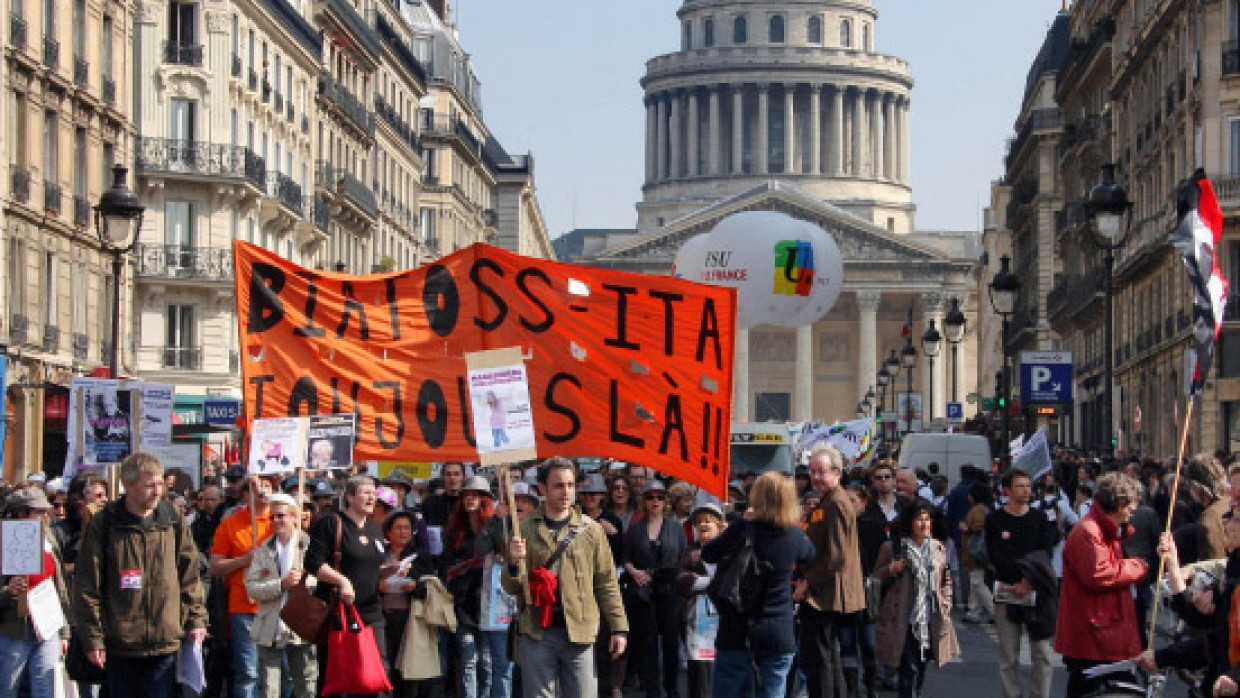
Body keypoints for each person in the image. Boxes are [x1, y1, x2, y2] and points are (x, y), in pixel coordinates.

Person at [71, 452, 208, 698]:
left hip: (164, 642)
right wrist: (93, 638)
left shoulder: (171, 519)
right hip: (120, 645)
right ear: (128, 485)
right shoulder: (105, 524)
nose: (157, 491)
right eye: (149, 485)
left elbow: (190, 574)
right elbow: (87, 586)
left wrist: (196, 618)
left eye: (160, 484)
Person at [504, 457, 628, 698]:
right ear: (542, 488)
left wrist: (619, 628)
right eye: (559, 485)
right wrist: (511, 563)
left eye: (570, 485)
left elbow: (607, 582)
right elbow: (511, 587)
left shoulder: (591, 530)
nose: (566, 492)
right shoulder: (524, 529)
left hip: (580, 630)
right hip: (537, 631)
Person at [702, 471, 814, 698]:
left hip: (737, 625)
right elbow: (811, 555)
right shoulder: (794, 535)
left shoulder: (742, 528)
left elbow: (708, 553)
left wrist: (742, 520)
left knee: (730, 688)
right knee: (773, 688)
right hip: (777, 628)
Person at [1054, 472, 1148, 697]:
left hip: (1103, 627)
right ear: (1119, 503)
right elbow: (1099, 574)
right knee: (1093, 686)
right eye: (1132, 502)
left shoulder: (1101, 529)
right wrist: (1138, 567)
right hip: (1095, 631)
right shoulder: (1089, 531)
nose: (1135, 508)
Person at [305, 475, 389, 696]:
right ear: (350, 497)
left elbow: (371, 566)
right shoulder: (332, 523)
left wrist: (392, 571)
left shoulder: (375, 528)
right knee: (339, 677)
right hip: (339, 613)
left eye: (374, 493)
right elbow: (313, 562)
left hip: (371, 612)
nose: (372, 497)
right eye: (366, 492)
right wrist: (341, 581)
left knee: (376, 674)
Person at [873, 501, 960, 698]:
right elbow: (874, 579)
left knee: (920, 668)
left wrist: (945, 605)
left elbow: (945, 581)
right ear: (909, 522)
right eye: (918, 519)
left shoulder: (938, 548)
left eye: (927, 519)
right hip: (901, 619)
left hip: (929, 619)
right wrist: (890, 570)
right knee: (909, 668)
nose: (924, 524)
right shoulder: (893, 548)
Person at [799, 445, 866, 698]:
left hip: (827, 593)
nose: (815, 478)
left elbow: (836, 556)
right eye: (812, 472)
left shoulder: (836, 503)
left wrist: (808, 582)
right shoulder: (828, 501)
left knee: (821, 661)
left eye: (821, 472)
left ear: (837, 472)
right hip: (826, 590)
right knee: (828, 658)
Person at [984, 469, 1058, 698]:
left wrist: (1029, 580)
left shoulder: (1039, 518)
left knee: (1043, 653)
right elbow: (995, 554)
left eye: (1028, 486)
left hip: (1036, 590)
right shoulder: (995, 519)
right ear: (1007, 491)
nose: (1026, 491)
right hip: (1007, 590)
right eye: (1020, 486)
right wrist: (1016, 580)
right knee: (1008, 655)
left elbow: (1044, 551)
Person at [209, 475, 277, 698]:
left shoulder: (282, 520)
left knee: (278, 673)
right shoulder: (231, 524)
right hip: (244, 608)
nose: (262, 492)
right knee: (248, 672)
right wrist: (244, 560)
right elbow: (216, 566)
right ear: (246, 495)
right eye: (256, 488)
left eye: (268, 487)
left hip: (277, 606)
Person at [243, 493, 317, 698]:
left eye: (281, 516)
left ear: (294, 517)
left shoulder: (309, 546)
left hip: (301, 623)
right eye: (272, 517)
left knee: (306, 682)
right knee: (269, 687)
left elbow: (322, 581)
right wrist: (281, 585)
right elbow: (252, 588)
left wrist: (303, 583)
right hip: (270, 624)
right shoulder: (263, 550)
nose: (276, 521)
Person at [0, 487, 70, 698]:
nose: (46, 517)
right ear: (22, 514)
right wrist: (7, 591)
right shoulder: (5, 540)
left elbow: (59, 587)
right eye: (39, 512)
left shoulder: (48, 539)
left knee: (46, 689)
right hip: (12, 630)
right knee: (7, 690)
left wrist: (64, 631)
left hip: (47, 627)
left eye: (45, 512)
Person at [623, 480, 687, 698]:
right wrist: (635, 572)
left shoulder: (675, 527)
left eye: (660, 496)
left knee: (670, 641)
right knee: (647, 641)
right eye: (650, 496)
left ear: (666, 501)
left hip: (669, 590)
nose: (655, 501)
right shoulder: (636, 528)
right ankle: (652, 689)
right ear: (644, 501)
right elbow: (626, 558)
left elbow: (683, 558)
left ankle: (671, 687)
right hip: (644, 591)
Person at [445, 476, 503, 698]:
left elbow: (485, 552)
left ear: (485, 500)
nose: (470, 499)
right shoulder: (454, 530)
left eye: (475, 495)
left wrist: (495, 523)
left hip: (489, 602)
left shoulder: (495, 527)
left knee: (487, 661)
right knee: (469, 658)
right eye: (466, 495)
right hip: (462, 603)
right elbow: (448, 563)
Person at [676, 502, 727, 698]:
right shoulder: (691, 554)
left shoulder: (728, 552)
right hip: (696, 624)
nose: (702, 525)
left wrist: (703, 582)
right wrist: (709, 581)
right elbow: (681, 581)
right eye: (699, 522)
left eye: (708, 521)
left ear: (720, 526)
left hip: (724, 622)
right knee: (698, 675)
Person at [959, 483, 994, 624]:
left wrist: (966, 528)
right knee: (976, 582)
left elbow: (978, 526)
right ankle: (974, 611)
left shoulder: (978, 510)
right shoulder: (984, 509)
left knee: (977, 582)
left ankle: (994, 611)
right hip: (979, 550)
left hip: (975, 550)